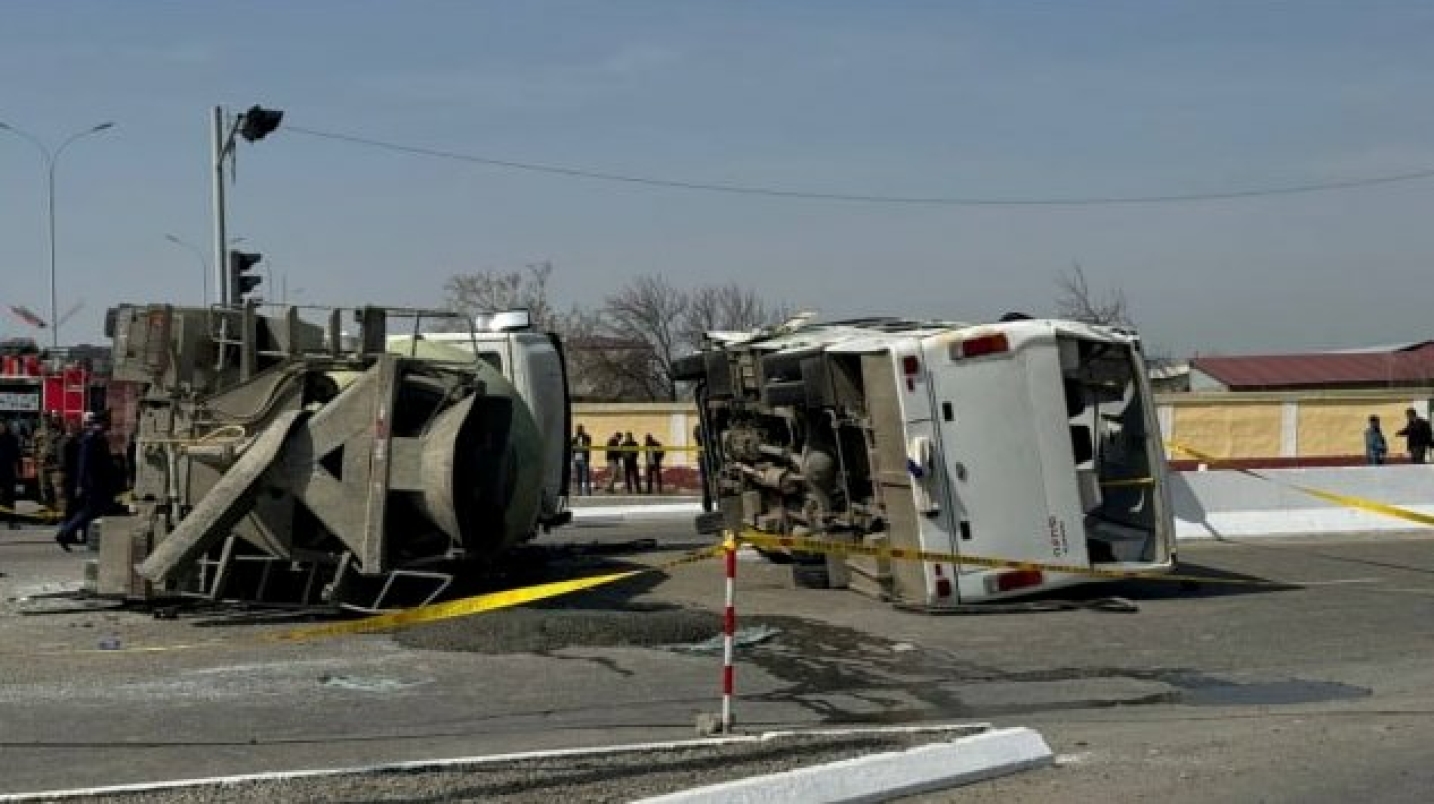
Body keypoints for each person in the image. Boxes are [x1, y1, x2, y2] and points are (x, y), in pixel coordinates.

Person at [53, 411, 116, 551]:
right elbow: (84, 463)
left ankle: (81, 536)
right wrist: (81, 484)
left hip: (98, 483)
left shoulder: (98, 437)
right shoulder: (91, 438)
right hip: (92, 483)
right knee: (88, 511)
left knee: (93, 511)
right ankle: (65, 533)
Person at [0, 419, 21, 529]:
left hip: (8, 473)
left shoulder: (12, 439)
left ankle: (11, 521)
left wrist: (18, 471)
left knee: (9, 499)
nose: (0, 428)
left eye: (2, 426)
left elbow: (17, 457)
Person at [570, 424, 593, 495]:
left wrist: (581, 446)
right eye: (577, 429)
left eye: (580, 429)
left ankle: (587, 491)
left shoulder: (587, 437)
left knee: (586, 476)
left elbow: (587, 446)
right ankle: (579, 492)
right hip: (576, 459)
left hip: (584, 459)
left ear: (582, 429)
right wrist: (572, 458)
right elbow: (572, 449)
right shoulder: (574, 439)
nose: (578, 430)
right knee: (578, 476)